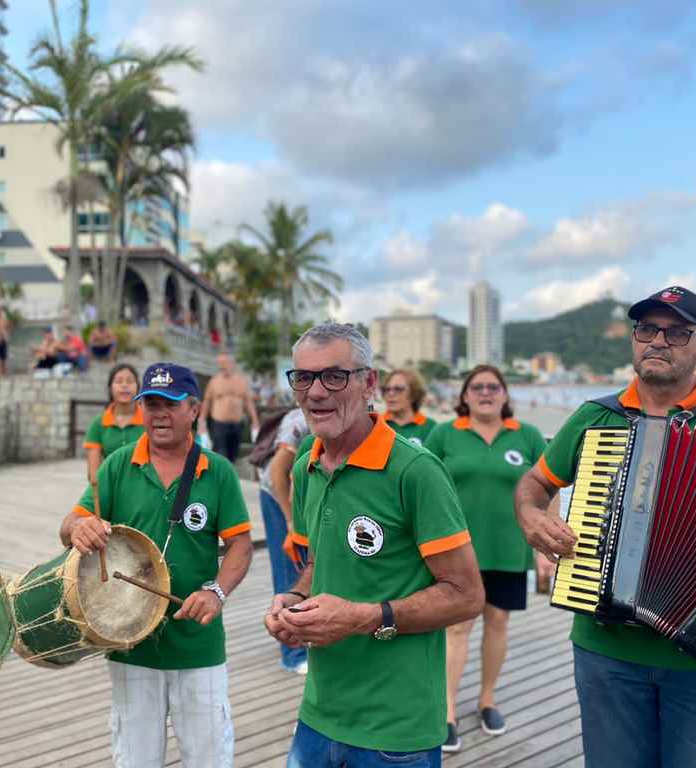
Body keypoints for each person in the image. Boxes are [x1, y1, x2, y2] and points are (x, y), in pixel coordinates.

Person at [514, 286, 696, 768]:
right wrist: (533, 517)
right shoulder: (596, 418)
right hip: (605, 651)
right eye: (646, 329)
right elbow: (534, 485)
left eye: (677, 332)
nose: (658, 340)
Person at [263, 323, 484, 767]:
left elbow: (467, 596)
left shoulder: (416, 470)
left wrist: (362, 618)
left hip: (396, 730)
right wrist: (294, 598)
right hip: (319, 715)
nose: (317, 391)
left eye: (334, 376)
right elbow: (319, 561)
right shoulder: (307, 461)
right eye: (303, 378)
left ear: (369, 383)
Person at [60, 362, 253, 768]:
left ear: (195, 409)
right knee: (134, 759)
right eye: (150, 403)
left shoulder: (216, 471)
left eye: (170, 403)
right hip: (130, 643)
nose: (159, 413)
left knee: (209, 757)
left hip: (198, 644)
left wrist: (216, 592)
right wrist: (80, 528)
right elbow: (70, 524)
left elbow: (239, 545)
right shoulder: (117, 464)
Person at [424, 364, 555, 751]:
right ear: (464, 396)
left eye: (493, 387)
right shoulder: (444, 434)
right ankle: (446, 710)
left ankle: (487, 699)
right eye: (477, 387)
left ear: (505, 394)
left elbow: (548, 489)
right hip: (455, 550)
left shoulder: (528, 436)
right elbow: (421, 486)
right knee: (457, 627)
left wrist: (547, 544)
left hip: (509, 548)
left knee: (498, 621)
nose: (485, 393)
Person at [255, 405, 311, 675]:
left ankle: (307, 634)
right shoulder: (299, 421)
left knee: (309, 565)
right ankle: (292, 654)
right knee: (288, 569)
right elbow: (278, 471)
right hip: (277, 495)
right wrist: (289, 520)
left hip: (302, 495)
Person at [82, 364, 144, 480]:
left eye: (130, 381)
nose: (124, 386)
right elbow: (94, 474)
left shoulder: (149, 421)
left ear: (138, 387)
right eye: (119, 381)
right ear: (110, 388)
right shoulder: (98, 424)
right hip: (111, 487)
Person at [198, 353, 260, 463]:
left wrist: (255, 421)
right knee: (221, 454)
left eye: (224, 363)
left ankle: (229, 477)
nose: (222, 366)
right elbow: (207, 402)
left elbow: (248, 402)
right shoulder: (214, 381)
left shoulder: (241, 381)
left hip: (237, 423)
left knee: (233, 455)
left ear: (231, 364)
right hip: (219, 423)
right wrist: (201, 421)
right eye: (220, 363)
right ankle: (220, 477)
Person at [380, 368, 437, 446]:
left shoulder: (431, 427)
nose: (391, 393)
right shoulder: (376, 424)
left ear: (414, 394)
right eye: (386, 389)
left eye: (398, 389)